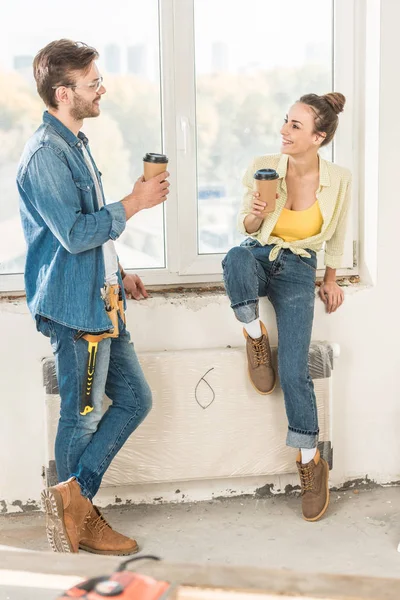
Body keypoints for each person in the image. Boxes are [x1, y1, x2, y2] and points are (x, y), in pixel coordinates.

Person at [17, 39, 170, 555]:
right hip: (74, 309)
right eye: (92, 83)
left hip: (104, 298)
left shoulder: (76, 143)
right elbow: (75, 233)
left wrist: (120, 270)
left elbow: (92, 237)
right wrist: (136, 202)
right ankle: (76, 517)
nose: (102, 88)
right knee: (80, 415)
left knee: (135, 400)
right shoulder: (44, 155)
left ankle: (74, 502)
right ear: (64, 92)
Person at [222, 93, 351, 522]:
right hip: (260, 255)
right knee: (235, 256)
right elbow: (246, 227)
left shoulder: (339, 180)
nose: (284, 131)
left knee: (295, 371)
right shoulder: (265, 167)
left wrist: (330, 280)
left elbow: (336, 235)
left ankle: (311, 462)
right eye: (285, 121)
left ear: (319, 137)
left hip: (299, 270)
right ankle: (255, 337)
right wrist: (256, 216)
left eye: (296, 126)